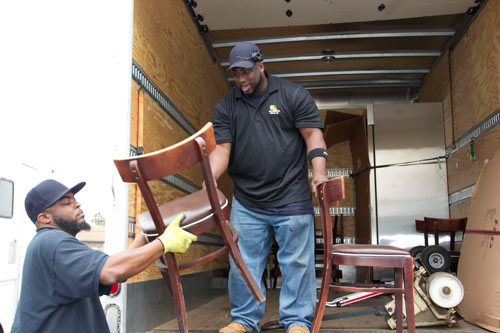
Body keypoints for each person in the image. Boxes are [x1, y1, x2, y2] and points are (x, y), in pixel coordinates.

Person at [211, 42, 329, 333]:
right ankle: (243, 320)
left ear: (261, 66)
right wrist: (208, 180)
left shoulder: (292, 95)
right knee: (243, 263)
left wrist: (319, 173)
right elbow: (221, 151)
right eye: (235, 73)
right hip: (248, 202)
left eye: (246, 72)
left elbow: (313, 135)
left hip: (291, 197)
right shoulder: (227, 106)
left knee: (296, 264)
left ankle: (298, 322)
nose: (241, 80)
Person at [12, 179, 197, 332]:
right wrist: (164, 243)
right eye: (66, 202)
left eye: (74, 199)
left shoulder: (49, 244)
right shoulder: (52, 242)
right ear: (45, 218)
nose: (77, 203)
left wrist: (147, 235)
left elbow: (113, 267)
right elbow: (112, 270)